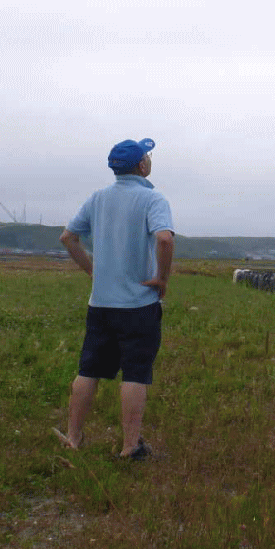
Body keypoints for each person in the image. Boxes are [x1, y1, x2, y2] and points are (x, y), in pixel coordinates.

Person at [56, 137, 175, 460]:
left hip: (100, 305)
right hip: (139, 306)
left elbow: (68, 237)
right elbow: (164, 239)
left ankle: (73, 438)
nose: (149, 160)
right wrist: (162, 279)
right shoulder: (153, 199)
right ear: (142, 166)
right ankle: (130, 446)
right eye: (147, 156)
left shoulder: (97, 199)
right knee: (135, 374)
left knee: (88, 370)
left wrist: (92, 270)